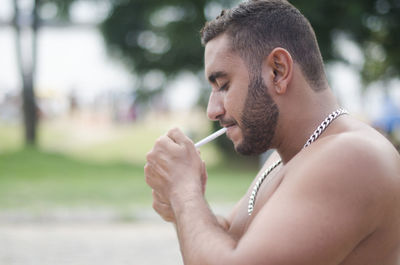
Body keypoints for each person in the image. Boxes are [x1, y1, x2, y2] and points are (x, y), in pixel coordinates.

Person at [144, 0, 400, 264]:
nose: (213, 110)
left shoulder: (352, 157)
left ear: (278, 71)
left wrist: (185, 195)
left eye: (223, 85)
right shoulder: (288, 156)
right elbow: (230, 238)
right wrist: (180, 203)